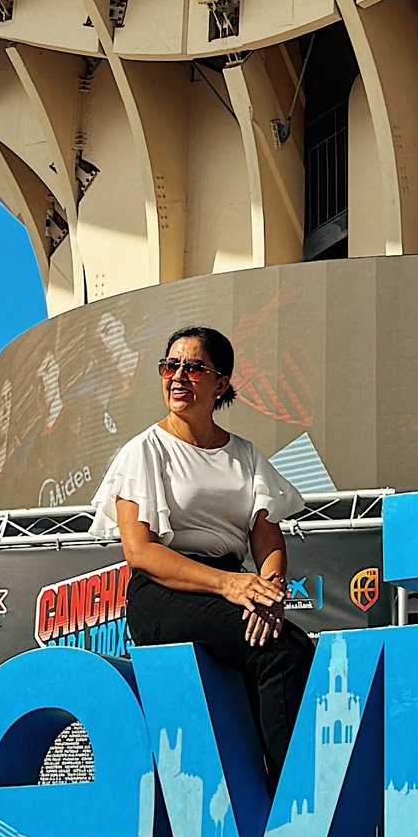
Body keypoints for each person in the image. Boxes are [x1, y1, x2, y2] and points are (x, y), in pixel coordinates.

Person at [96, 325, 311, 787]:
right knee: (280, 651)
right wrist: (232, 586)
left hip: (234, 590)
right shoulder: (143, 450)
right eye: (170, 365)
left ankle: (265, 789)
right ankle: (291, 799)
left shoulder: (247, 456)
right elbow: (141, 553)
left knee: (293, 645)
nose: (178, 376)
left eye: (193, 367)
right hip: (166, 591)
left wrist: (269, 591)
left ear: (221, 383)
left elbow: (268, 541)